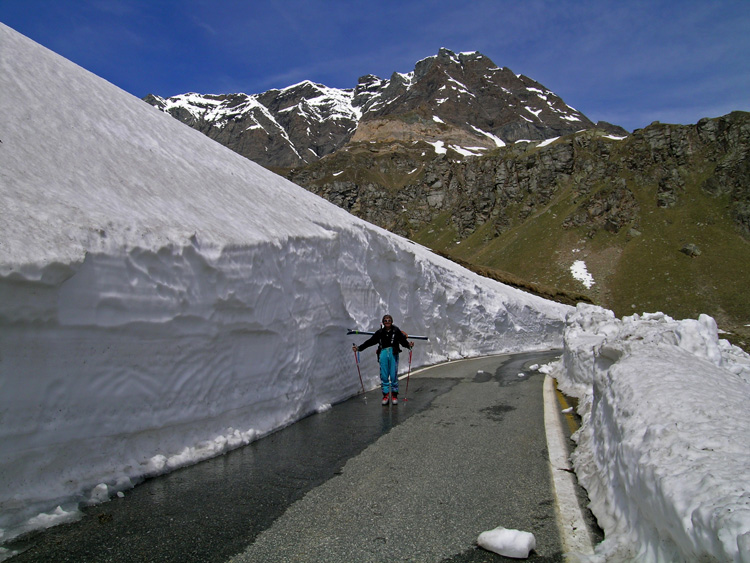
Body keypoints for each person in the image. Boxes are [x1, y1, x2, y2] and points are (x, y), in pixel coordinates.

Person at [353, 315, 414, 405]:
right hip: (383, 354)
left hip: (393, 353)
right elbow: (370, 342)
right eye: (385, 321)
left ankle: (394, 395)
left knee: (393, 375)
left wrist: (409, 345)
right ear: (383, 322)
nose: (387, 322)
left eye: (389, 320)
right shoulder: (380, 332)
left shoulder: (396, 331)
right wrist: (359, 348)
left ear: (392, 321)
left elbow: (402, 341)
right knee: (384, 375)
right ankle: (385, 395)